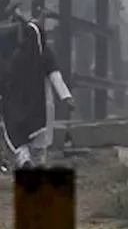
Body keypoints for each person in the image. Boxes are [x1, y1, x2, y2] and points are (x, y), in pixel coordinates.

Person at [0, 16, 74, 168]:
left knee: (18, 139)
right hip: (40, 108)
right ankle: (36, 169)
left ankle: (24, 159)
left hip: (14, 109)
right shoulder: (45, 54)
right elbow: (55, 76)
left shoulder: (14, 58)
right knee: (39, 146)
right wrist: (66, 97)